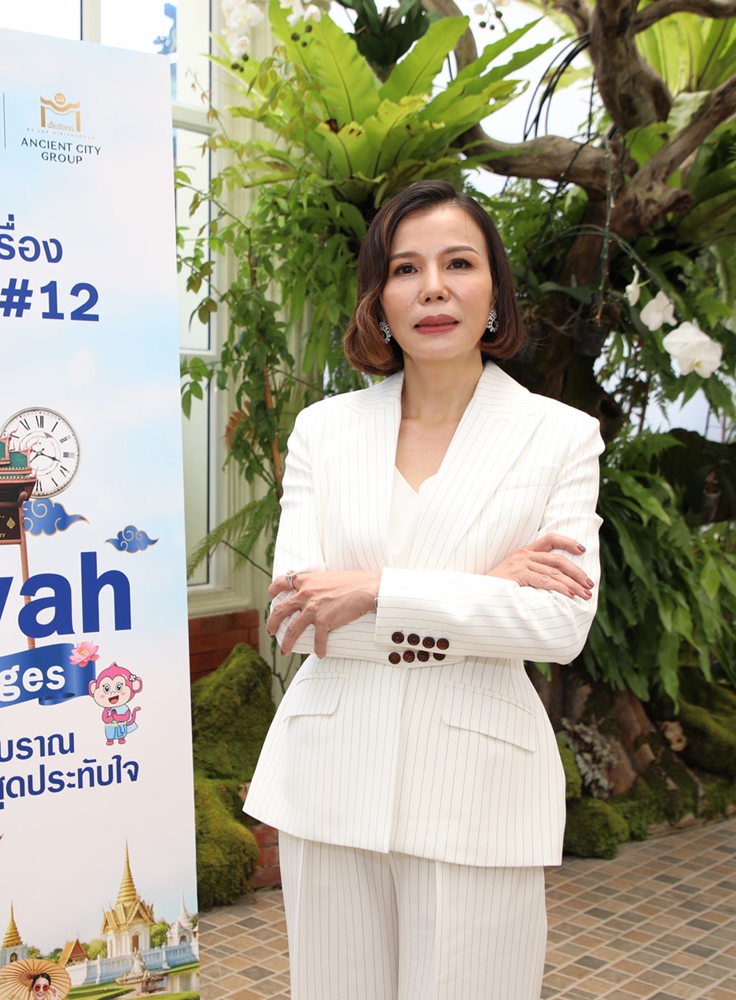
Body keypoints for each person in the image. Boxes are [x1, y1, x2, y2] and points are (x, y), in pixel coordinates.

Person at [242, 179, 604, 999]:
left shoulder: (559, 438)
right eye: (405, 269)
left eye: (458, 264)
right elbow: (298, 618)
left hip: (476, 786)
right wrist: (483, 589)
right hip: (330, 776)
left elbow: (557, 625)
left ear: (495, 291)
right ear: (378, 299)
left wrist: (375, 589)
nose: (433, 288)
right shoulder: (325, 431)